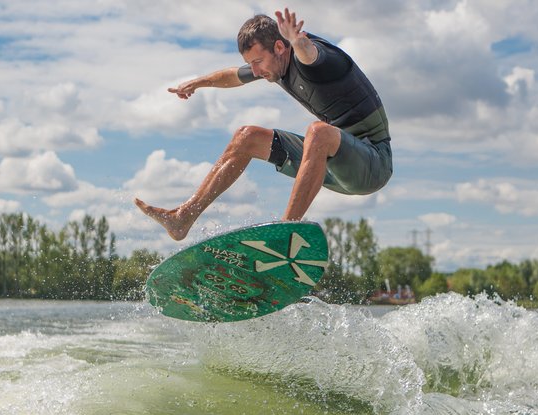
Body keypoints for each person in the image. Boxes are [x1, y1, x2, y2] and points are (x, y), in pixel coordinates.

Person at [135, 8, 392, 241]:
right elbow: (233, 76)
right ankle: (183, 218)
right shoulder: (274, 64)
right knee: (246, 137)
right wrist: (197, 83)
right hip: (331, 163)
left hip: (371, 165)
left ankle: (284, 234)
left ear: (280, 47)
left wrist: (298, 41)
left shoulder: (318, 60)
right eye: (251, 64)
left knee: (318, 132)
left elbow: (310, 54)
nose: (255, 71)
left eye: (257, 62)